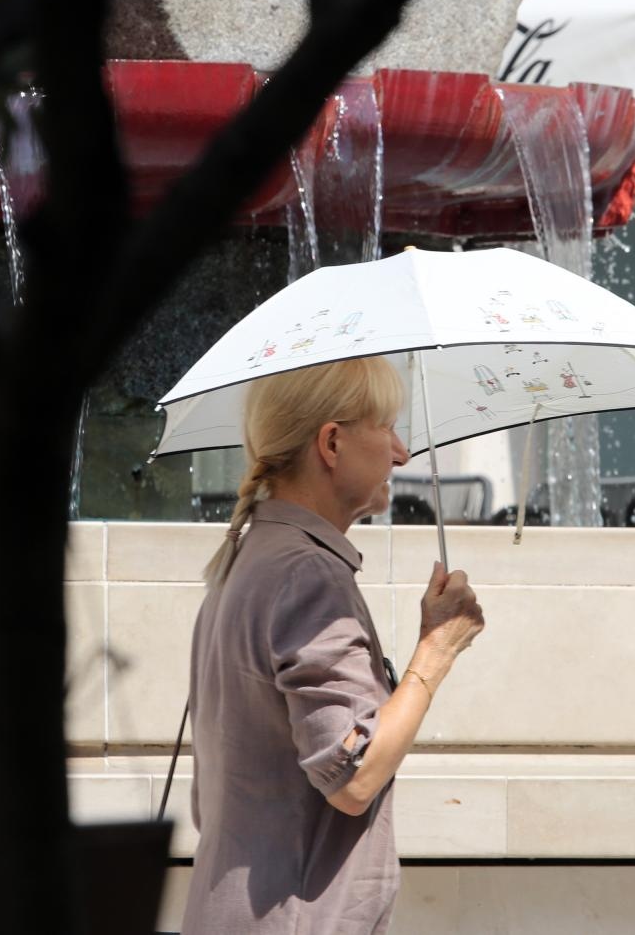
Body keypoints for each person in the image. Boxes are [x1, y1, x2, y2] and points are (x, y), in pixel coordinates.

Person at [182, 357, 485, 933]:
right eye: (387, 427)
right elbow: (354, 776)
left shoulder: (252, 557)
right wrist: (437, 649)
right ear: (331, 443)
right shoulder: (306, 574)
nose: (401, 453)